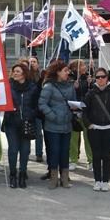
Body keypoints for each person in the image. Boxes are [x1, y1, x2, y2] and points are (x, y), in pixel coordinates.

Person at [39, 60, 77, 189]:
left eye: (68, 70)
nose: (68, 73)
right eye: (65, 70)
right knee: (54, 152)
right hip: (52, 126)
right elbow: (42, 104)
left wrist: (75, 109)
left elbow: (74, 102)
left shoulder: (71, 86)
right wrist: (53, 116)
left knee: (65, 152)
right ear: (58, 72)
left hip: (66, 126)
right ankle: (53, 178)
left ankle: (65, 179)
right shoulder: (49, 86)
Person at [3, 63, 40, 189]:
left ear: (24, 73)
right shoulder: (8, 86)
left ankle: (22, 174)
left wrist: (30, 114)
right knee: (13, 150)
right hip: (11, 123)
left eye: (17, 71)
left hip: (27, 123)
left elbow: (37, 105)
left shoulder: (33, 88)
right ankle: (13, 174)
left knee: (25, 151)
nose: (15, 73)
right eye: (14, 71)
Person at [83, 67, 110, 192]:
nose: (100, 79)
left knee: (108, 155)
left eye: (102, 76)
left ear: (107, 78)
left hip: (108, 128)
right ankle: (97, 180)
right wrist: (89, 124)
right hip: (95, 129)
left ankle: (106, 180)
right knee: (96, 156)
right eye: (97, 77)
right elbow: (84, 111)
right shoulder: (91, 93)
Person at [68, 59, 93, 171]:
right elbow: (67, 95)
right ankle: (73, 160)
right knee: (73, 138)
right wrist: (73, 87)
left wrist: (90, 83)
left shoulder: (89, 78)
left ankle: (91, 161)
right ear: (75, 68)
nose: (85, 66)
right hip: (74, 113)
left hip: (86, 113)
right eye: (82, 65)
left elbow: (92, 93)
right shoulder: (70, 79)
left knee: (88, 138)